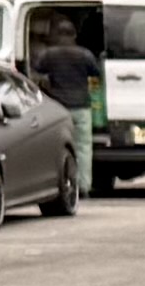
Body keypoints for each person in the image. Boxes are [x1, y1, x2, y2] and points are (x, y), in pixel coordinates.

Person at [20, 11, 100, 194]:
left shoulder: (50, 54)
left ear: (57, 35)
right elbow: (96, 73)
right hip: (81, 106)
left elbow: (36, 71)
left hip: (59, 107)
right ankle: (84, 186)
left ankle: (63, 185)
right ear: (74, 35)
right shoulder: (85, 55)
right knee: (83, 148)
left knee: (59, 148)